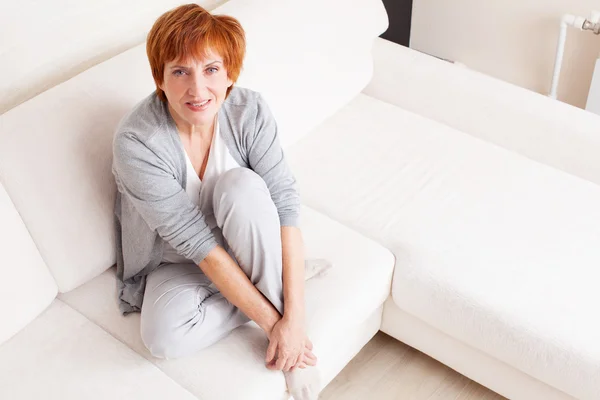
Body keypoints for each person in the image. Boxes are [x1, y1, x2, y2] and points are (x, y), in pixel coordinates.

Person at [111, 3, 326, 399]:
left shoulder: (249, 111)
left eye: (211, 69)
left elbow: (285, 206)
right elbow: (196, 244)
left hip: (247, 235)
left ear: (230, 74)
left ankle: (288, 339)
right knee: (163, 338)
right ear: (160, 78)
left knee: (240, 186)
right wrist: (276, 319)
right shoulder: (137, 142)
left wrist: (295, 324)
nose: (197, 89)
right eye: (180, 71)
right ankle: (269, 280)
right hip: (181, 259)